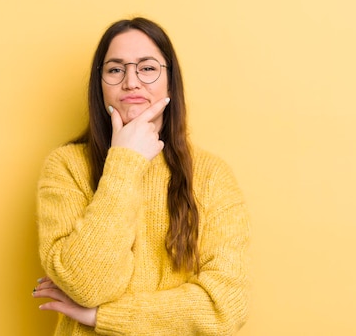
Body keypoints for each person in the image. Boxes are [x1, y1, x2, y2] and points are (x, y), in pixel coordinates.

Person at [32, 17, 250, 335]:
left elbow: (224, 307)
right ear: (100, 84)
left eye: (147, 68)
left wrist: (100, 317)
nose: (131, 82)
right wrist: (126, 161)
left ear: (170, 82)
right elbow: (88, 285)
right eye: (115, 69)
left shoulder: (212, 176)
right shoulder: (66, 166)